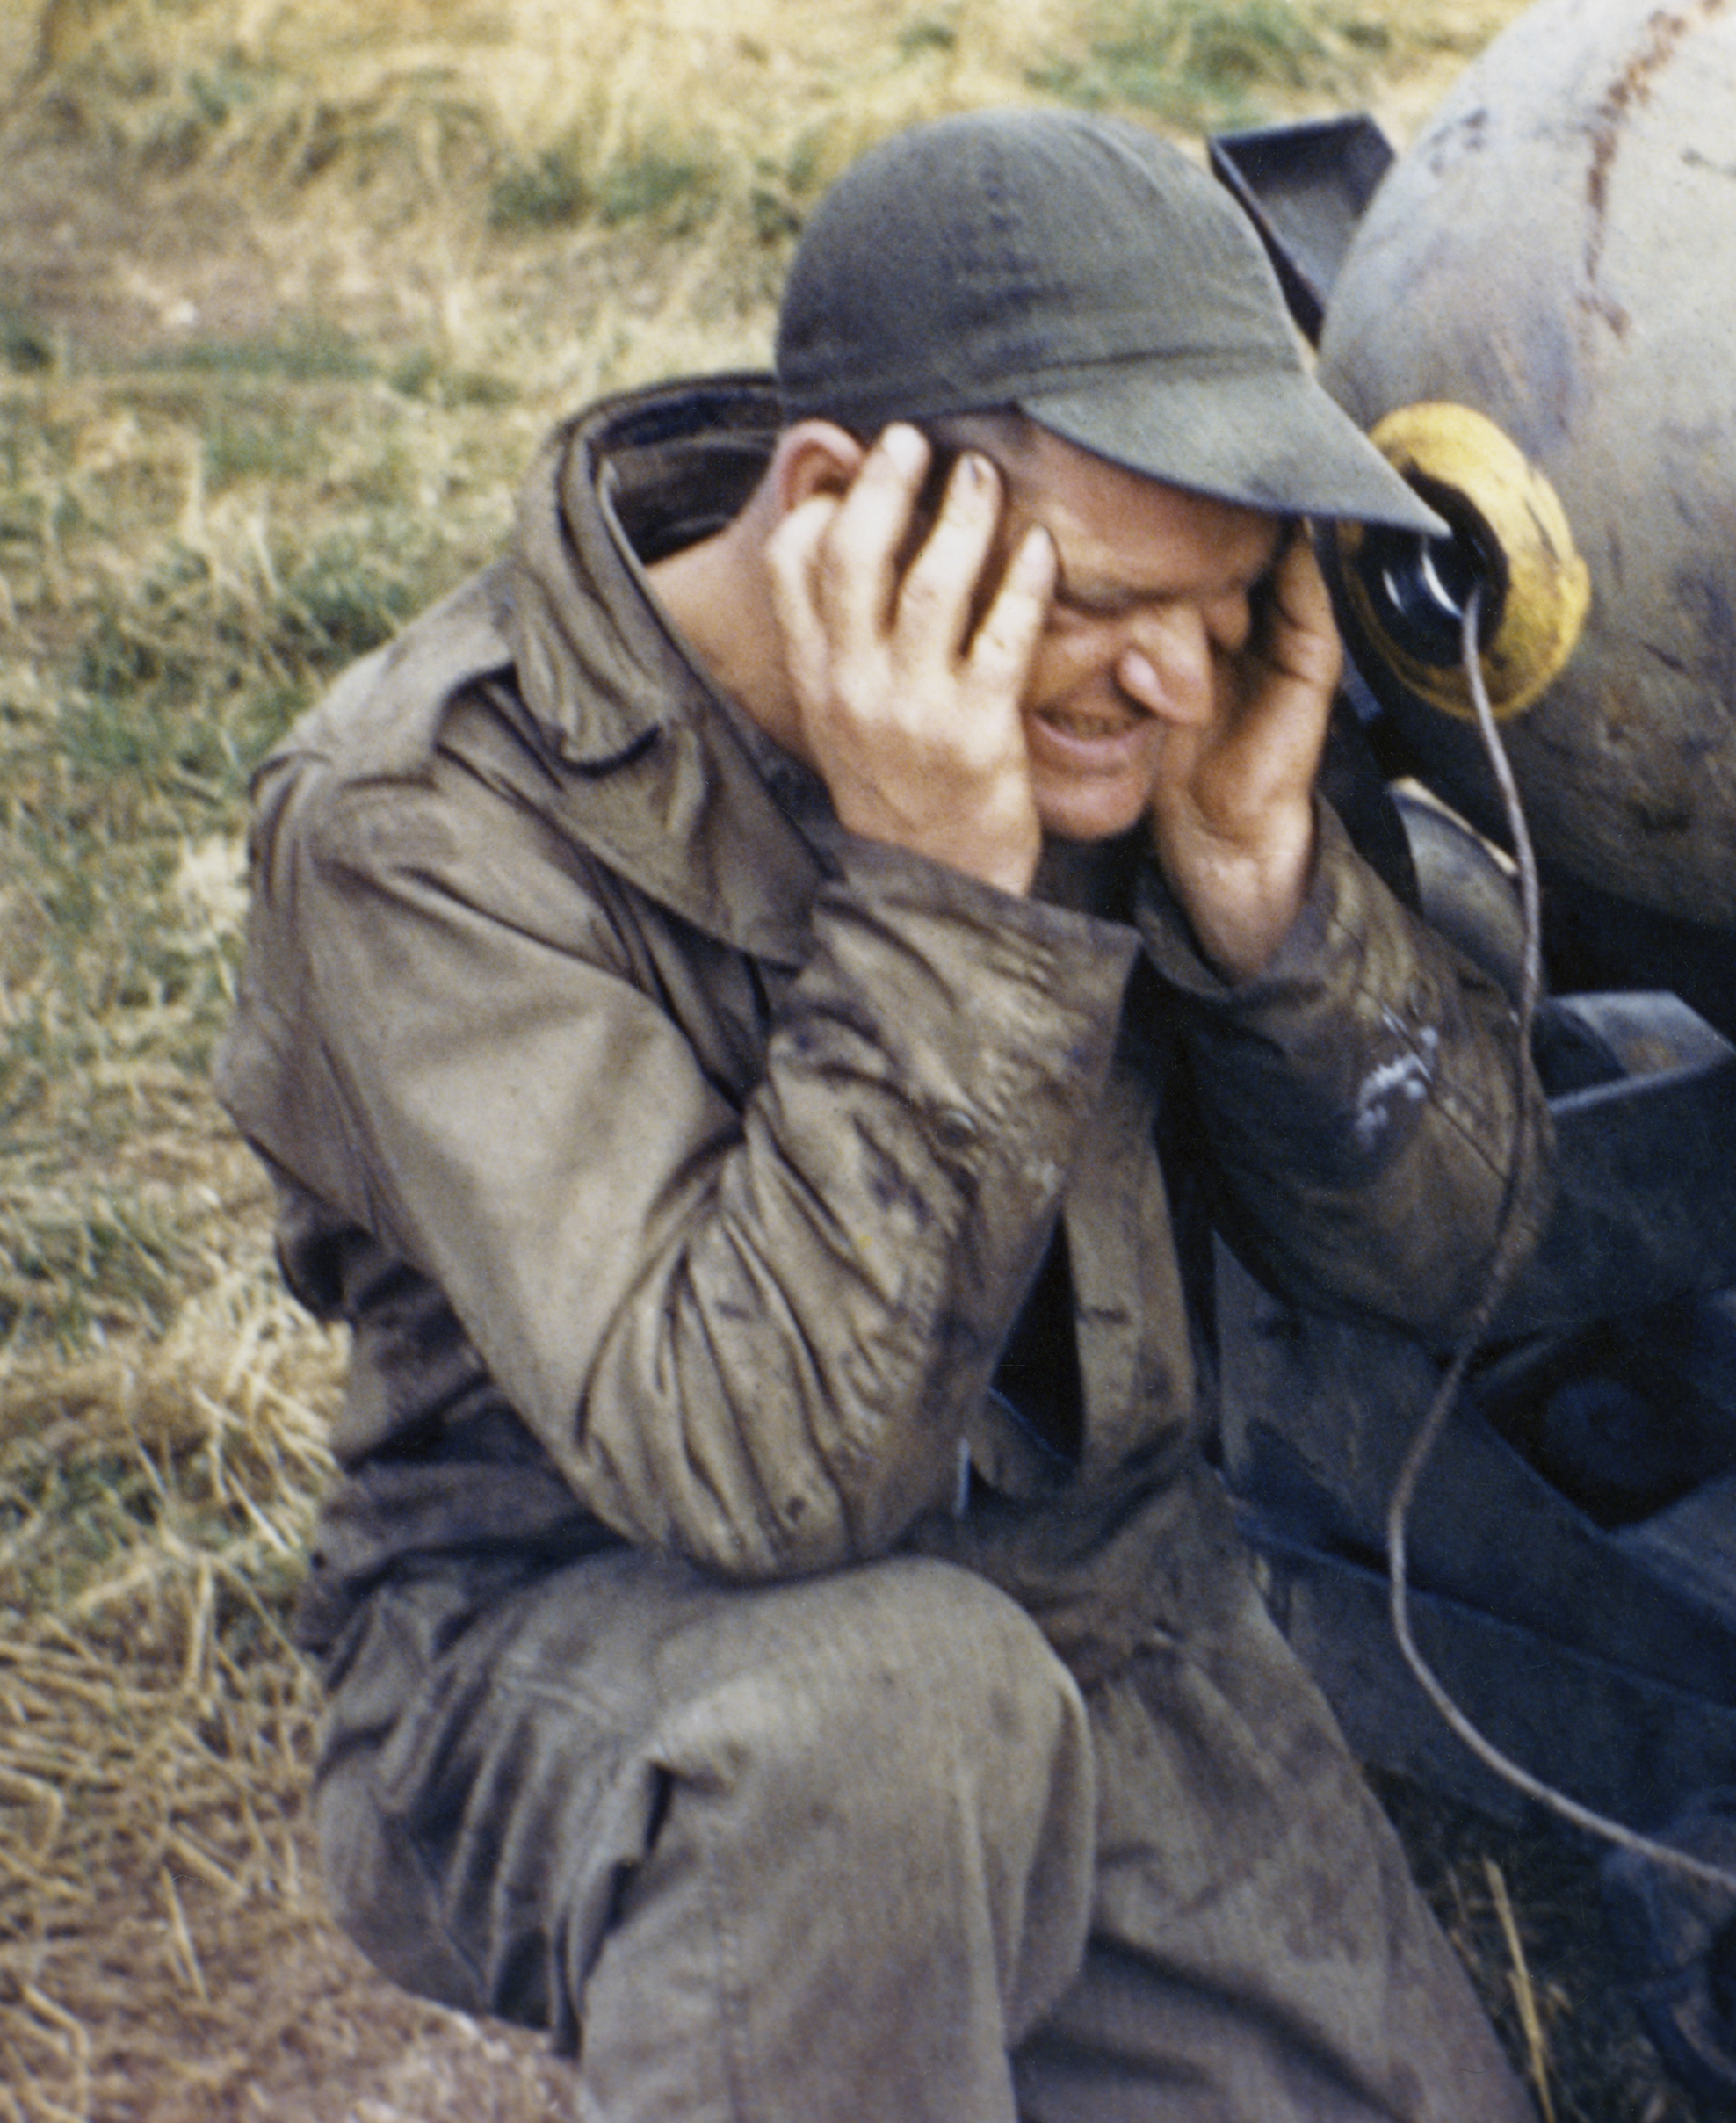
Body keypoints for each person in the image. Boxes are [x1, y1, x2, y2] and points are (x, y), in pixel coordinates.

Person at [214, 107, 1548, 2123]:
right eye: (1103, 598)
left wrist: (1273, 904)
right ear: (841, 498)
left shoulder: (1150, 703)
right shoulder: (424, 822)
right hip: (590, 1648)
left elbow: (1461, 1253)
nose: (1172, 680)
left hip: (1105, 1611)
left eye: (1221, 607)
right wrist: (939, 887)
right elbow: (756, 1481)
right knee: (885, 1716)